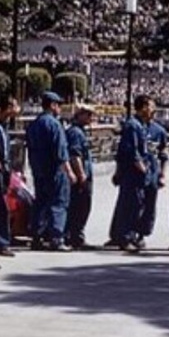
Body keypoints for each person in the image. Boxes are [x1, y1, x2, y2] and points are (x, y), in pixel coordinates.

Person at [26, 91, 74, 251]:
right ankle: (56, 238)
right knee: (58, 203)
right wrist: (69, 171)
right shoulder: (54, 124)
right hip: (54, 170)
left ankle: (36, 236)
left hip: (38, 169)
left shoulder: (34, 124)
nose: (60, 108)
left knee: (40, 202)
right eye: (59, 105)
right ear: (52, 105)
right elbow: (61, 152)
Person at [108, 94, 152, 252]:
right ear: (144, 107)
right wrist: (142, 167)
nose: (152, 110)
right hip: (133, 173)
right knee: (131, 205)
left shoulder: (140, 125)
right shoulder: (133, 126)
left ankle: (123, 235)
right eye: (151, 106)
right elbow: (131, 150)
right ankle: (125, 237)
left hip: (134, 173)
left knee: (131, 203)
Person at [0, 96, 19, 257]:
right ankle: (0, 242)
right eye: (14, 105)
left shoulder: (3, 127)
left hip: (2, 173)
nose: (18, 109)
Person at [64, 103, 95, 249]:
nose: (91, 117)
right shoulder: (75, 132)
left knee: (83, 206)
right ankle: (75, 237)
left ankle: (76, 235)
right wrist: (81, 174)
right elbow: (75, 155)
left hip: (85, 173)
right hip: (81, 176)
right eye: (88, 114)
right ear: (80, 115)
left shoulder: (81, 131)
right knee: (79, 207)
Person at [136, 115, 169, 247]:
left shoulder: (159, 131)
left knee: (149, 205)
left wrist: (162, 175)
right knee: (135, 203)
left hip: (152, 171)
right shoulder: (137, 127)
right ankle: (128, 233)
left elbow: (163, 155)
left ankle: (141, 235)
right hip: (138, 172)